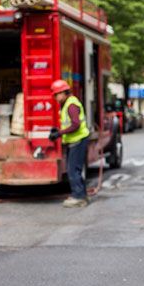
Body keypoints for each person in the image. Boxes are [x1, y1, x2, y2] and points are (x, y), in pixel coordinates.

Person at [49, 79, 91, 208]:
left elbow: (76, 124)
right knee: (75, 169)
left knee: (73, 170)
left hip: (78, 140)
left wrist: (59, 133)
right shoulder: (68, 103)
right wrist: (59, 131)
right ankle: (81, 195)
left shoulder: (71, 104)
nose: (55, 97)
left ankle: (78, 197)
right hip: (75, 140)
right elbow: (70, 124)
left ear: (63, 92)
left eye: (57, 94)